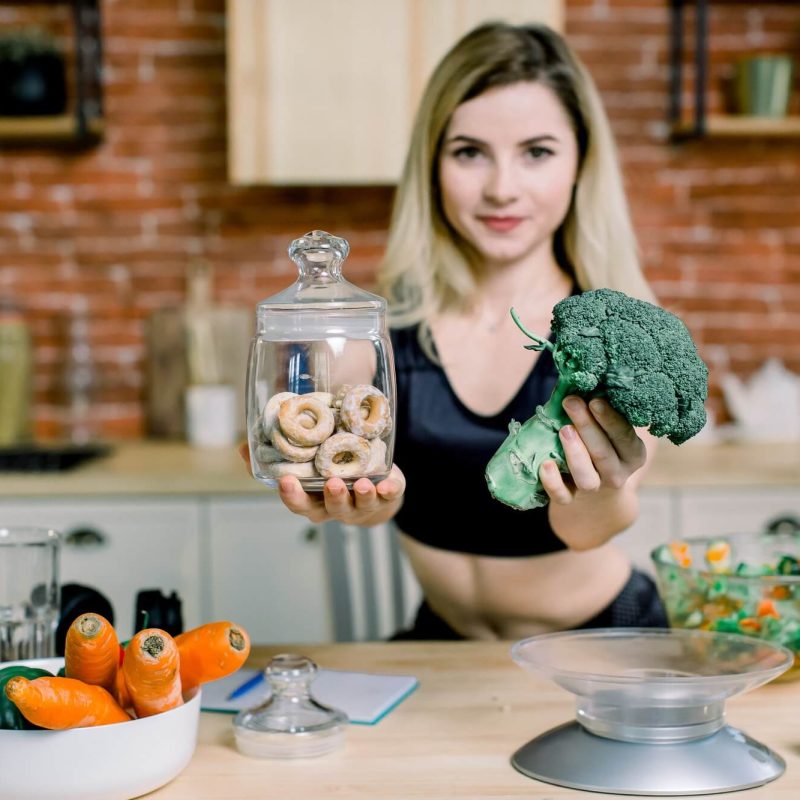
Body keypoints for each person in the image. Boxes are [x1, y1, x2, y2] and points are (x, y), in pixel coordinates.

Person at [272, 21, 667, 640]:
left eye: (537, 152)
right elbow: (366, 491)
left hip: (599, 639)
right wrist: (356, 502)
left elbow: (588, 530)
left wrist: (602, 494)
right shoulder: (381, 333)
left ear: (580, 164)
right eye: (469, 152)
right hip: (445, 642)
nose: (501, 189)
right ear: (432, 165)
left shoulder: (615, 335)